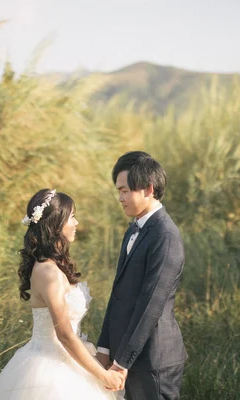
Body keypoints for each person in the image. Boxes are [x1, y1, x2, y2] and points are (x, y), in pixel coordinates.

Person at [0, 189, 124, 400]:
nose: (76, 223)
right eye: (72, 217)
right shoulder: (48, 272)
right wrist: (103, 376)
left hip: (69, 360)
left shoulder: (51, 266)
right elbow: (65, 335)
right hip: (50, 367)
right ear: (55, 224)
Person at [96, 151, 188, 400]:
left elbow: (151, 305)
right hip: (127, 356)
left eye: (125, 191)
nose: (120, 198)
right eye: (119, 191)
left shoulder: (165, 236)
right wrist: (104, 348)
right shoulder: (134, 229)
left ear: (148, 189)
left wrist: (122, 362)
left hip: (153, 361)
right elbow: (118, 296)